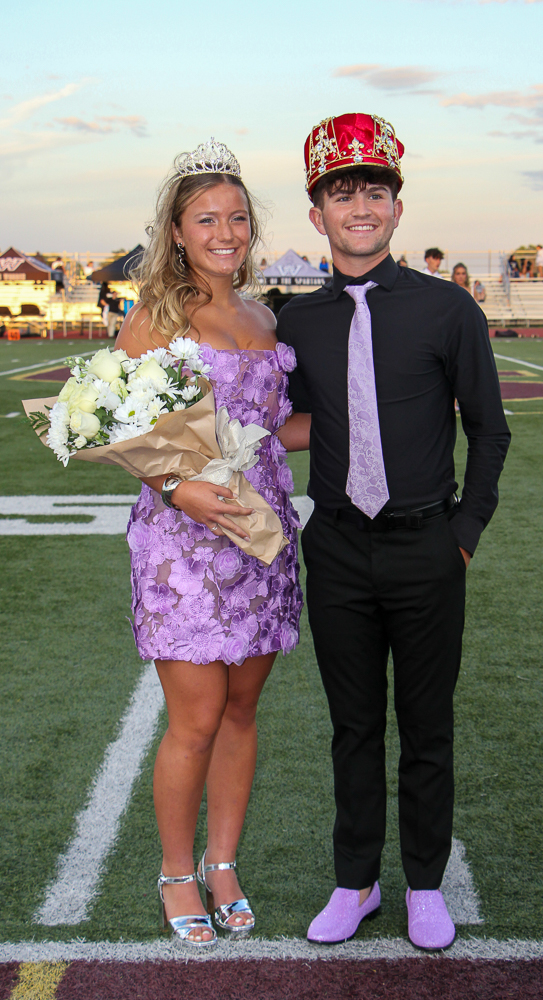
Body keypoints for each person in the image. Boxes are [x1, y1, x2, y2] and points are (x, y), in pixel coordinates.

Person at [277, 113, 510, 950]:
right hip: (336, 543)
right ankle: (354, 882)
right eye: (341, 194)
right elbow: (278, 419)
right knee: (352, 725)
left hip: (424, 543)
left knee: (427, 725)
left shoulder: (446, 308)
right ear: (317, 216)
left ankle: (422, 885)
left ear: (396, 207)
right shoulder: (293, 323)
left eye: (373, 190)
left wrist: (464, 531)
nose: (359, 207)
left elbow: (489, 429)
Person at [116, 139, 305, 949]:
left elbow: (273, 434)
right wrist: (175, 486)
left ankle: (222, 862)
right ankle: (174, 871)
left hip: (260, 536)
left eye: (235, 217)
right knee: (192, 719)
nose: (223, 231)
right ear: (178, 230)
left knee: (240, 708)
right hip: (182, 541)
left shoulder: (264, 316)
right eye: (206, 219)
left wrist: (378, 418)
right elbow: (121, 428)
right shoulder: (154, 317)